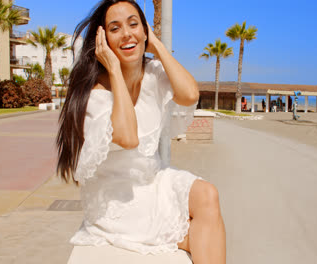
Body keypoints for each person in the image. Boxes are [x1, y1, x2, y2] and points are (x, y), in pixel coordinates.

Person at [56, 1, 226, 263]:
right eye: (115, 28)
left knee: (207, 194)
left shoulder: (154, 73)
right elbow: (127, 136)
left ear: (145, 29)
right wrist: (113, 69)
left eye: (133, 24)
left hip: (154, 181)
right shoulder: (94, 94)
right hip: (118, 198)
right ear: (103, 41)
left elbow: (190, 94)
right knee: (202, 239)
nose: (126, 34)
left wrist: (156, 45)